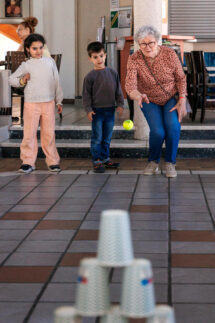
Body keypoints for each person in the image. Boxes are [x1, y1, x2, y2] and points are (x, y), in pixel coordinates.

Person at [125, 25, 187, 178]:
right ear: (139, 44)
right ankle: (153, 162)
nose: (147, 47)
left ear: (157, 41)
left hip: (171, 98)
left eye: (151, 42)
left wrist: (182, 99)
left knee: (173, 126)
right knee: (158, 132)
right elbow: (130, 85)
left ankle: (170, 163)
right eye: (143, 43)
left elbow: (181, 78)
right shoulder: (134, 59)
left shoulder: (169, 54)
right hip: (148, 98)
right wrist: (138, 95)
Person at [9, 33, 63, 173]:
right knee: (29, 133)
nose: (38, 51)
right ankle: (27, 162)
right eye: (34, 48)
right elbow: (11, 79)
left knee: (49, 133)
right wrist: (22, 81)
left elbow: (56, 81)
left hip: (49, 103)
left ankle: (52, 161)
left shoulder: (50, 62)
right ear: (28, 49)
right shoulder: (25, 65)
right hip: (31, 104)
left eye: (40, 47)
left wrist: (59, 101)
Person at [82, 41, 124, 173]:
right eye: (95, 57)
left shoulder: (113, 73)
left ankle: (105, 158)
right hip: (97, 112)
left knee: (107, 137)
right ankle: (97, 160)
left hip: (110, 110)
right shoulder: (89, 77)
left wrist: (120, 104)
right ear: (90, 59)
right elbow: (86, 96)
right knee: (97, 137)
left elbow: (118, 90)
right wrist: (88, 110)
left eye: (101, 56)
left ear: (105, 55)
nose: (99, 59)